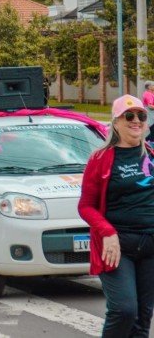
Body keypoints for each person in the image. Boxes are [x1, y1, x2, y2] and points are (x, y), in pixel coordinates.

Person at [79, 94, 154, 337]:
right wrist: (107, 231)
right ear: (116, 122)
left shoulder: (151, 154)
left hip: (151, 245)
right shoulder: (100, 159)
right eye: (129, 116)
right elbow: (86, 206)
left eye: (141, 116)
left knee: (142, 319)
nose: (136, 121)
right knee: (124, 310)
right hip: (117, 246)